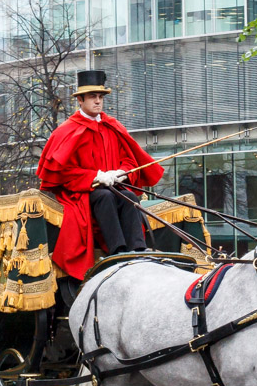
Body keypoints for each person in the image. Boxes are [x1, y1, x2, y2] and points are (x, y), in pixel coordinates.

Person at [37, 70, 164, 280]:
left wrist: (121, 172)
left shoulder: (111, 126)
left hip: (114, 186)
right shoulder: (66, 130)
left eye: (100, 97)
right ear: (80, 100)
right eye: (92, 97)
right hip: (82, 192)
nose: (98, 101)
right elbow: (62, 173)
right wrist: (95, 177)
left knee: (130, 197)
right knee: (104, 197)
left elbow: (130, 159)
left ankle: (139, 249)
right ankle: (117, 252)